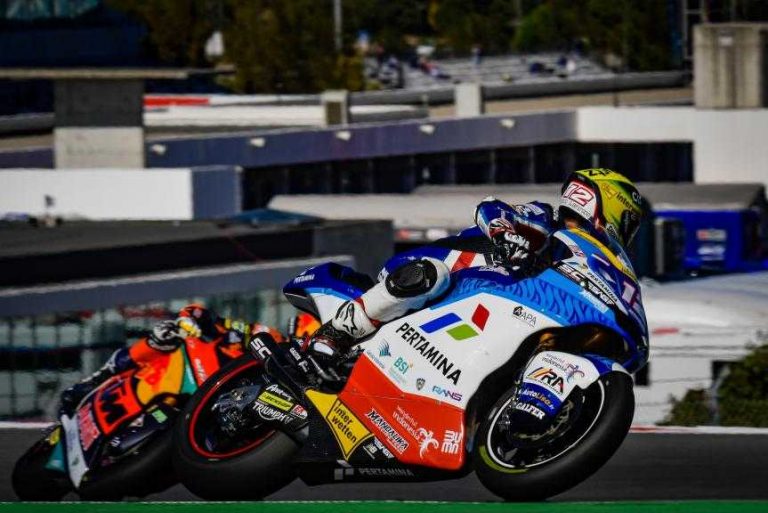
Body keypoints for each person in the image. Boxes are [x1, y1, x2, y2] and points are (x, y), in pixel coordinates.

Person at [305, 168, 644, 371]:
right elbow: (490, 207)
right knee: (432, 275)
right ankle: (335, 334)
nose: (627, 233)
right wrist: (505, 234)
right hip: (441, 278)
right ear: (606, 204)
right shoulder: (545, 220)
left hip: (478, 310)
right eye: (628, 221)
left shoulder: (582, 261)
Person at [59, 304, 278, 414]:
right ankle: (98, 379)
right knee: (167, 334)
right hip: (186, 367)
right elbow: (199, 314)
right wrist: (188, 322)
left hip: (214, 398)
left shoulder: (278, 375)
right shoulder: (259, 334)